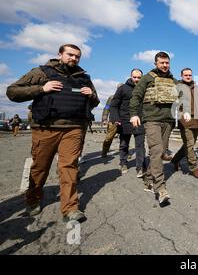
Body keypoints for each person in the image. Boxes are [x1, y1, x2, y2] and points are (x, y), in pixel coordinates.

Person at [6, 44, 100, 221]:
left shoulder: (84, 78)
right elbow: (12, 92)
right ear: (60, 54)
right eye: (70, 55)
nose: (73, 58)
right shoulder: (42, 72)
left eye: (77, 56)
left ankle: (70, 208)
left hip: (73, 128)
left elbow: (94, 102)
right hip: (45, 128)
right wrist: (42, 88)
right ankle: (33, 200)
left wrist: (91, 96)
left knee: (69, 167)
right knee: (40, 168)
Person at [129, 51, 178, 206]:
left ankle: (148, 179)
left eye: (167, 63)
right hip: (152, 120)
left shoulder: (173, 80)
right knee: (156, 151)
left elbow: (182, 97)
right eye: (162, 62)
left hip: (168, 121)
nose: (165, 65)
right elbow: (136, 96)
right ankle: (160, 188)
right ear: (155, 63)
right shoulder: (147, 78)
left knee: (161, 152)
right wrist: (133, 114)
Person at [110, 69, 146, 177]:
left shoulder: (145, 90)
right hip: (124, 121)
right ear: (131, 76)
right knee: (124, 144)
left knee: (140, 145)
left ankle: (140, 167)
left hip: (140, 121)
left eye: (139, 78)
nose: (137, 80)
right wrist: (115, 118)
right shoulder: (122, 89)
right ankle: (123, 163)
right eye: (135, 77)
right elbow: (114, 105)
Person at [170, 68, 198, 179]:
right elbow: (176, 103)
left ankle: (175, 160)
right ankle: (194, 167)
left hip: (196, 119)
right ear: (181, 76)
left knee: (189, 144)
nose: (188, 77)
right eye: (185, 75)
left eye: (189, 75)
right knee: (189, 144)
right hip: (184, 119)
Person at [101, 84, 123, 158]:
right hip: (113, 121)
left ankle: (124, 153)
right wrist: (104, 118)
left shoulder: (127, 97)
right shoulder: (111, 97)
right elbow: (106, 108)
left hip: (123, 121)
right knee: (108, 138)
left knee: (124, 138)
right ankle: (104, 152)